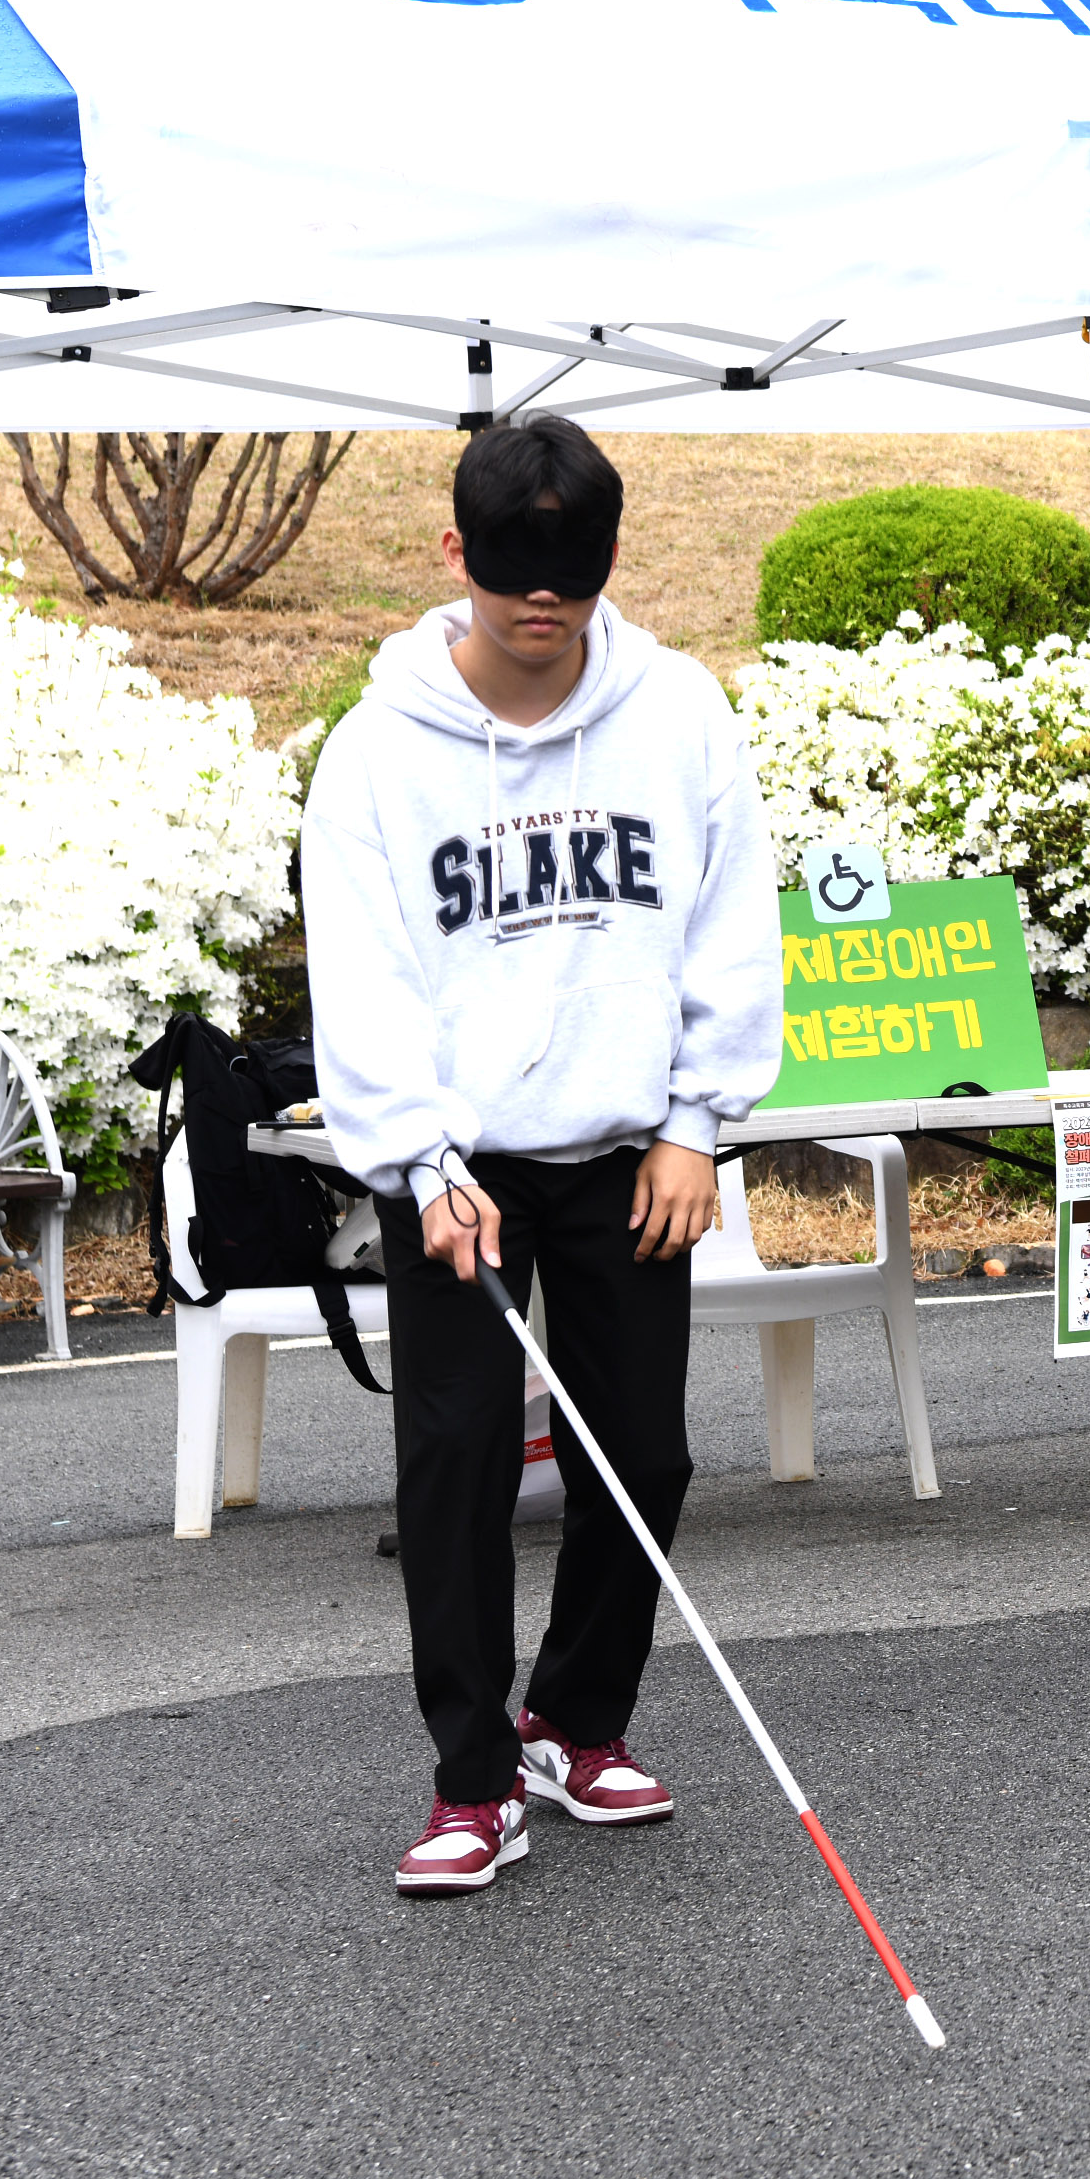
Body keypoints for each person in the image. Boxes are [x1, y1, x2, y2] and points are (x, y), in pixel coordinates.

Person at [302, 418, 782, 1893]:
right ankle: (470, 1780)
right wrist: (417, 1158)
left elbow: (729, 922)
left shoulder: (680, 713)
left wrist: (700, 1124)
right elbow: (364, 971)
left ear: (607, 563)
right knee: (450, 1464)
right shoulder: (377, 754)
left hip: (631, 1147)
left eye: (569, 574)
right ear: (458, 556)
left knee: (642, 1452)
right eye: (514, 571)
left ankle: (577, 1720)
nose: (541, 603)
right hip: (456, 1164)